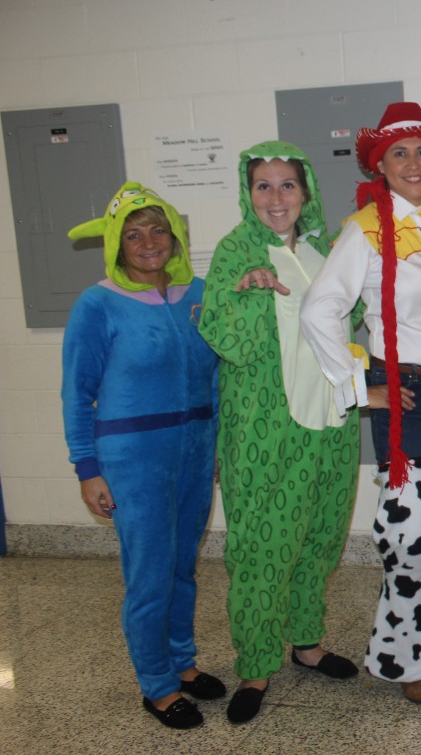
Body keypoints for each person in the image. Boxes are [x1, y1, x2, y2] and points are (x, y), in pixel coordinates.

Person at [300, 102, 421, 706]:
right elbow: (319, 309)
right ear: (380, 163)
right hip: (406, 394)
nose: (412, 163)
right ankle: (405, 650)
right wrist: (361, 388)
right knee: (410, 531)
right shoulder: (365, 228)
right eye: (399, 153)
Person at [198, 141, 361, 725]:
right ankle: (257, 663)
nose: (275, 197)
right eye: (263, 186)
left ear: (306, 191)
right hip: (265, 429)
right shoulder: (235, 251)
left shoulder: (324, 252)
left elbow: (354, 322)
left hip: (330, 424)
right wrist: (247, 292)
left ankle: (306, 643)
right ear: (248, 194)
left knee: (318, 537)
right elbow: (221, 333)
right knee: (263, 547)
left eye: (286, 185)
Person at [61, 182, 223, 729]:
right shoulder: (97, 303)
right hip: (133, 456)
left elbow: (218, 375)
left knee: (182, 566)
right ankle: (155, 684)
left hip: (197, 449)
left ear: (175, 237)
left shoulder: (199, 294)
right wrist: (88, 469)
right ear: (117, 244)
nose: (148, 241)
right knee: (150, 573)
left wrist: (220, 443)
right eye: (133, 234)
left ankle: (182, 663)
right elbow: (76, 391)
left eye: (157, 229)